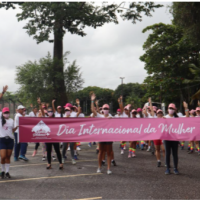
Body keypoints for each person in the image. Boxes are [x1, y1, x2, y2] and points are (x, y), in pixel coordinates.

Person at [91, 93, 114, 175]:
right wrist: (92, 101)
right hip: (101, 136)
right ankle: (99, 167)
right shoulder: (99, 116)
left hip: (109, 137)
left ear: (109, 109)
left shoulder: (112, 117)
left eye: (107, 108)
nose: (105, 109)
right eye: (104, 108)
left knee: (108, 152)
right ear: (102, 109)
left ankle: (108, 168)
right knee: (100, 152)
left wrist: (111, 119)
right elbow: (93, 110)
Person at [164, 102, 189, 175]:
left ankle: (175, 168)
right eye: (170, 108)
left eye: (172, 108)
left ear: (175, 110)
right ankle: (168, 168)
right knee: (167, 153)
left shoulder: (177, 117)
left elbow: (187, 118)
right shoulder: (165, 117)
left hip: (175, 138)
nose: (171, 110)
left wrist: (186, 108)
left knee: (175, 154)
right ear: (167, 109)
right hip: (167, 138)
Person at [62, 99, 81, 165]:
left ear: (70, 110)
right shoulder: (64, 116)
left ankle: (73, 158)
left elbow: (78, 112)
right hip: (65, 134)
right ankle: (63, 158)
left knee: (72, 146)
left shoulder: (73, 115)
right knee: (64, 146)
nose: (67, 111)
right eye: (65, 110)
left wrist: (78, 104)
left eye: (68, 110)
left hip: (72, 133)